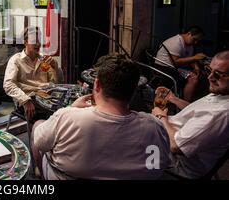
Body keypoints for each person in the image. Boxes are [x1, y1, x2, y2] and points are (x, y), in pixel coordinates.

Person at [32, 54, 171, 179]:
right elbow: (159, 167)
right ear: (134, 90)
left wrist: (72, 108)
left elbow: (39, 142)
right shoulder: (154, 127)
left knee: (38, 125)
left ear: (97, 84)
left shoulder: (67, 117)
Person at [152, 50, 229, 179]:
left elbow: (176, 147)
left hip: (175, 164)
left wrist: (161, 117)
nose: (210, 77)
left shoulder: (221, 113)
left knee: (125, 145)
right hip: (168, 136)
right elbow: (198, 112)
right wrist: (173, 98)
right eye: (209, 70)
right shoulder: (222, 92)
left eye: (218, 74)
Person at [3, 26, 64, 121]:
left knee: (67, 107)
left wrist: (55, 66)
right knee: (55, 115)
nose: (38, 44)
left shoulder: (44, 59)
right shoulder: (16, 60)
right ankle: (42, 133)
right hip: (28, 97)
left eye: (39, 40)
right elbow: (8, 84)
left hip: (46, 96)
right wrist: (25, 100)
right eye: (34, 41)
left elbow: (58, 82)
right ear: (25, 42)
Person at [155, 26, 207, 101]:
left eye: (197, 41)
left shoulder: (189, 44)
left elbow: (190, 57)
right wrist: (195, 58)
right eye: (194, 39)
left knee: (202, 74)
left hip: (177, 67)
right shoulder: (176, 42)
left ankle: (195, 98)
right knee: (193, 78)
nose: (195, 42)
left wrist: (196, 68)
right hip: (164, 67)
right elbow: (176, 62)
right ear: (189, 34)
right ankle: (186, 103)